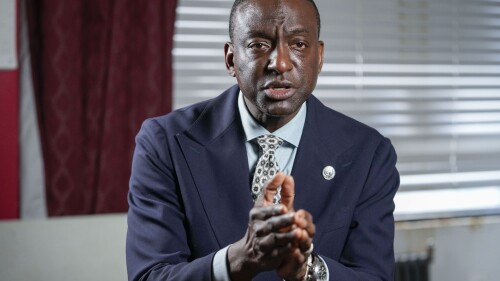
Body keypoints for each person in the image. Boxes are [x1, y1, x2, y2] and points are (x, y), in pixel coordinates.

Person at [126, 0, 399, 280]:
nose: (280, 63)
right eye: (258, 45)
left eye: (299, 44)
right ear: (231, 59)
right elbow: (150, 275)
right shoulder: (165, 144)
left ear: (318, 57)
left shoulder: (369, 154)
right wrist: (238, 260)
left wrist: (308, 269)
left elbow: (374, 276)